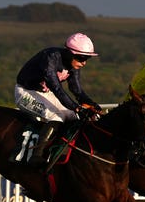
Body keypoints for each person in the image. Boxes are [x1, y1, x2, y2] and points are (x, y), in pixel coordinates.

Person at [15, 32, 102, 166]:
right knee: (56, 116)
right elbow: (57, 89)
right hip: (26, 92)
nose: (84, 63)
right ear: (69, 53)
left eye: (87, 59)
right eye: (81, 58)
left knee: (74, 116)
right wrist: (77, 107)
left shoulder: (74, 65)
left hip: (46, 93)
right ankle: (36, 156)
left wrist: (92, 104)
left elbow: (77, 91)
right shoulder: (50, 57)